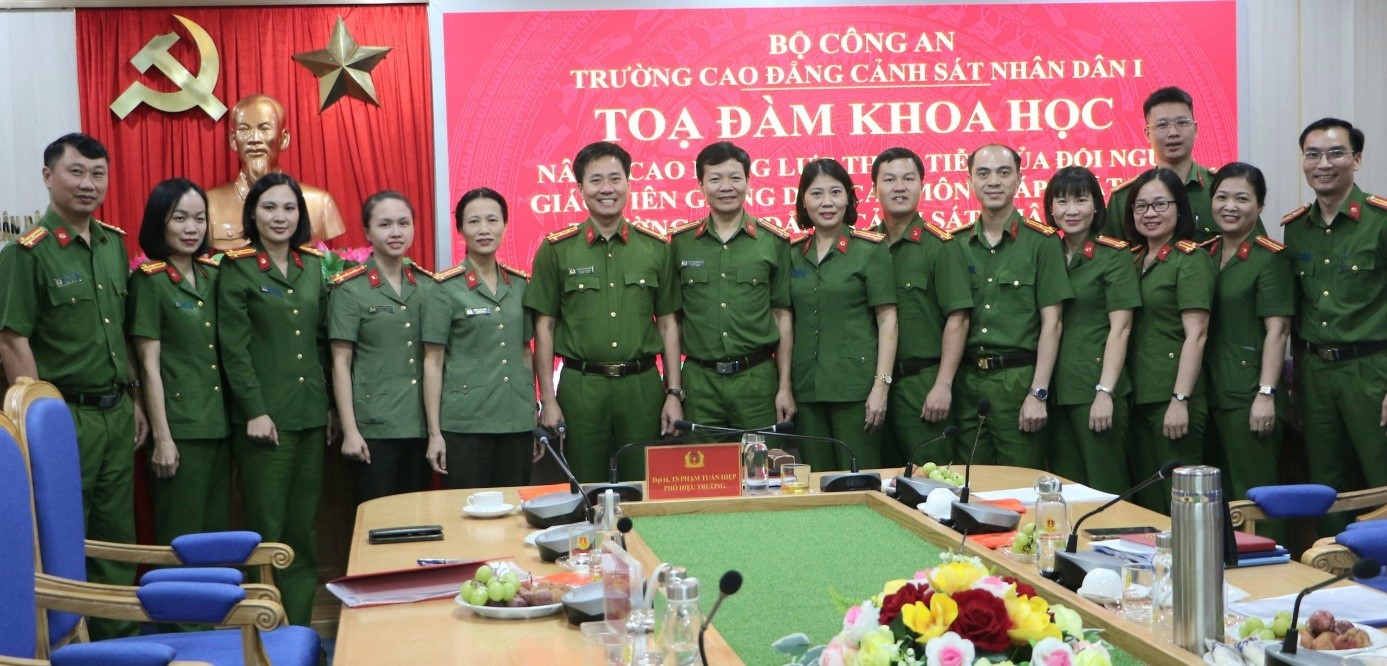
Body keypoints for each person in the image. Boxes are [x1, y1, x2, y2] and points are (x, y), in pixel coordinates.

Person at [0, 133, 145, 639]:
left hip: (116, 413)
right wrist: (38, 424)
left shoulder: (112, 244)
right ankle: (66, 647)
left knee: (116, 539)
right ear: (48, 177)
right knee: (61, 539)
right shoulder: (26, 254)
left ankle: (118, 647)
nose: (88, 184)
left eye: (98, 174)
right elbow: (12, 339)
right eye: (76, 172)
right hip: (65, 418)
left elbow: (121, 331)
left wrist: (135, 399)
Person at [523, 141, 682, 483]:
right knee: (584, 489)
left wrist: (673, 393)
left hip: (641, 387)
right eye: (595, 180)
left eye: (615, 178)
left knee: (643, 488)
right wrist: (547, 399)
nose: (606, 189)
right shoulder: (556, 250)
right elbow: (544, 327)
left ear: (628, 183)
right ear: (580, 188)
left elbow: (668, 325)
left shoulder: (656, 248)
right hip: (582, 387)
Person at [217, 172, 330, 626]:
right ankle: (265, 630)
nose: (280, 217)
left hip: (309, 415)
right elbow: (234, 349)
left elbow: (320, 342)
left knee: (303, 530)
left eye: (289, 208)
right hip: (265, 421)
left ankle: (299, 632)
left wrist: (328, 407)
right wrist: (255, 410)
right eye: (269, 207)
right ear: (253, 213)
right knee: (267, 533)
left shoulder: (312, 265)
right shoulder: (237, 266)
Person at [1283, 118, 1387, 533]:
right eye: (1312, 155)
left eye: (1335, 153)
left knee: (1381, 479)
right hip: (1316, 373)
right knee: (1326, 487)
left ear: (1356, 159)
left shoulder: (1380, 220)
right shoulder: (1296, 229)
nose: (1323, 164)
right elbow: (1295, 313)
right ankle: (1332, 564)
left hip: (1372, 372)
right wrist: (1296, 384)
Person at [954, 145, 1072, 469]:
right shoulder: (956, 244)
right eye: (983, 173)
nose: (993, 181)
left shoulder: (1042, 242)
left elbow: (1053, 323)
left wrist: (1039, 393)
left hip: (1018, 381)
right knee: (969, 482)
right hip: (967, 381)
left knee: (1020, 481)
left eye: (1003, 173)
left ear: (1019, 179)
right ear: (969, 182)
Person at [128, 179, 230, 547]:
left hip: (220, 426)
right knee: (181, 538)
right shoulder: (150, 281)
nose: (192, 228)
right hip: (180, 427)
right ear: (160, 221)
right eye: (180, 218)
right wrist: (163, 438)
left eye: (200, 219)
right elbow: (148, 367)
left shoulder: (213, 275)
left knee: (217, 536)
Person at [670, 142, 794, 432]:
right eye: (715, 179)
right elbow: (671, 321)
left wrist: (784, 386)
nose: (726, 187)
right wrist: (673, 391)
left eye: (735, 178)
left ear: (748, 181)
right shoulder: (680, 244)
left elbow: (782, 317)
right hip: (699, 382)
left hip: (757, 380)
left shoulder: (773, 241)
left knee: (762, 460)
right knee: (702, 462)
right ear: (700, 185)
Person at [787, 158, 897, 471]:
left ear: (849, 197)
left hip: (855, 390)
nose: (827, 202)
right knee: (816, 482)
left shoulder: (870, 250)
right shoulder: (792, 253)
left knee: (859, 478)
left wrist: (881, 386)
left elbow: (888, 320)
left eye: (835, 192)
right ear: (803, 201)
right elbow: (785, 322)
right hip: (806, 389)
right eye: (816, 193)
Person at [423, 188, 535, 488]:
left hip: (516, 421)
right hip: (465, 424)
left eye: (492, 220)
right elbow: (433, 362)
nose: (484, 229)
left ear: (505, 225)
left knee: (515, 508)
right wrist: (435, 432)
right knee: (466, 508)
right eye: (473, 221)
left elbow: (525, 352)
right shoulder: (444, 288)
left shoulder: (520, 285)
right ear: (460, 229)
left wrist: (532, 415)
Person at [867, 147, 972, 466]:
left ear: (922, 185)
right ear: (874, 189)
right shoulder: (864, 246)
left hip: (922, 383)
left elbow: (958, 319)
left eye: (908, 179)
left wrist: (943, 385)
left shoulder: (941, 247)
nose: (899, 187)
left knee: (931, 477)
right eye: (889, 179)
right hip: (869, 384)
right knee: (878, 478)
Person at [1204, 162, 1292, 538]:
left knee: (1255, 499)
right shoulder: (1205, 253)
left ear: (1260, 206)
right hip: (1209, 390)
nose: (1230, 206)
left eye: (1242, 199)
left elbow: (1278, 330)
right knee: (1217, 500)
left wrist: (1266, 393)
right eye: (1222, 197)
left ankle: (1275, 568)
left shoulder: (1269, 256)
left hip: (1248, 394)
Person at [328, 191, 432, 504]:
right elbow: (340, 364)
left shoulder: (427, 286)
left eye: (403, 223)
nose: (396, 232)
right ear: (368, 232)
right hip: (374, 429)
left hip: (421, 427)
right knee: (377, 519)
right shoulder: (350, 288)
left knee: (420, 519)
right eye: (385, 224)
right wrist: (350, 431)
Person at [1123, 168, 1215, 512]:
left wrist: (1180, 399)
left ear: (1179, 209)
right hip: (1137, 396)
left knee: (1181, 505)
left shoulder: (1189, 259)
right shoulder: (1132, 259)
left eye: (1160, 204)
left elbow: (1197, 335)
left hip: (1172, 397)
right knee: (1148, 507)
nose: (1150, 213)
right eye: (1141, 206)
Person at [1044, 167, 1139, 494]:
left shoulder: (1114, 255)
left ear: (1097, 206)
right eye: (1062, 201)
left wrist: (1105, 392)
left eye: (1081, 200)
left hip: (1094, 387)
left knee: (1105, 489)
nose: (1071, 210)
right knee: (1063, 492)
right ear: (1050, 208)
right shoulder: (1046, 252)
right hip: (1054, 391)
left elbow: (1121, 329)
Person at [207, 94, 345, 250]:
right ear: (233, 140)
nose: (254, 139)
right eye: (244, 129)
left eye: (264, 128)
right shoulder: (209, 205)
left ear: (283, 139)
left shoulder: (320, 204)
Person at [1106, 86, 1236, 243]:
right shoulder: (1124, 198)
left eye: (1182, 123)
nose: (1173, 133)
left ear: (1195, 129)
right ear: (1147, 134)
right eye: (1162, 125)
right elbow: (1109, 256)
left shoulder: (1222, 188)